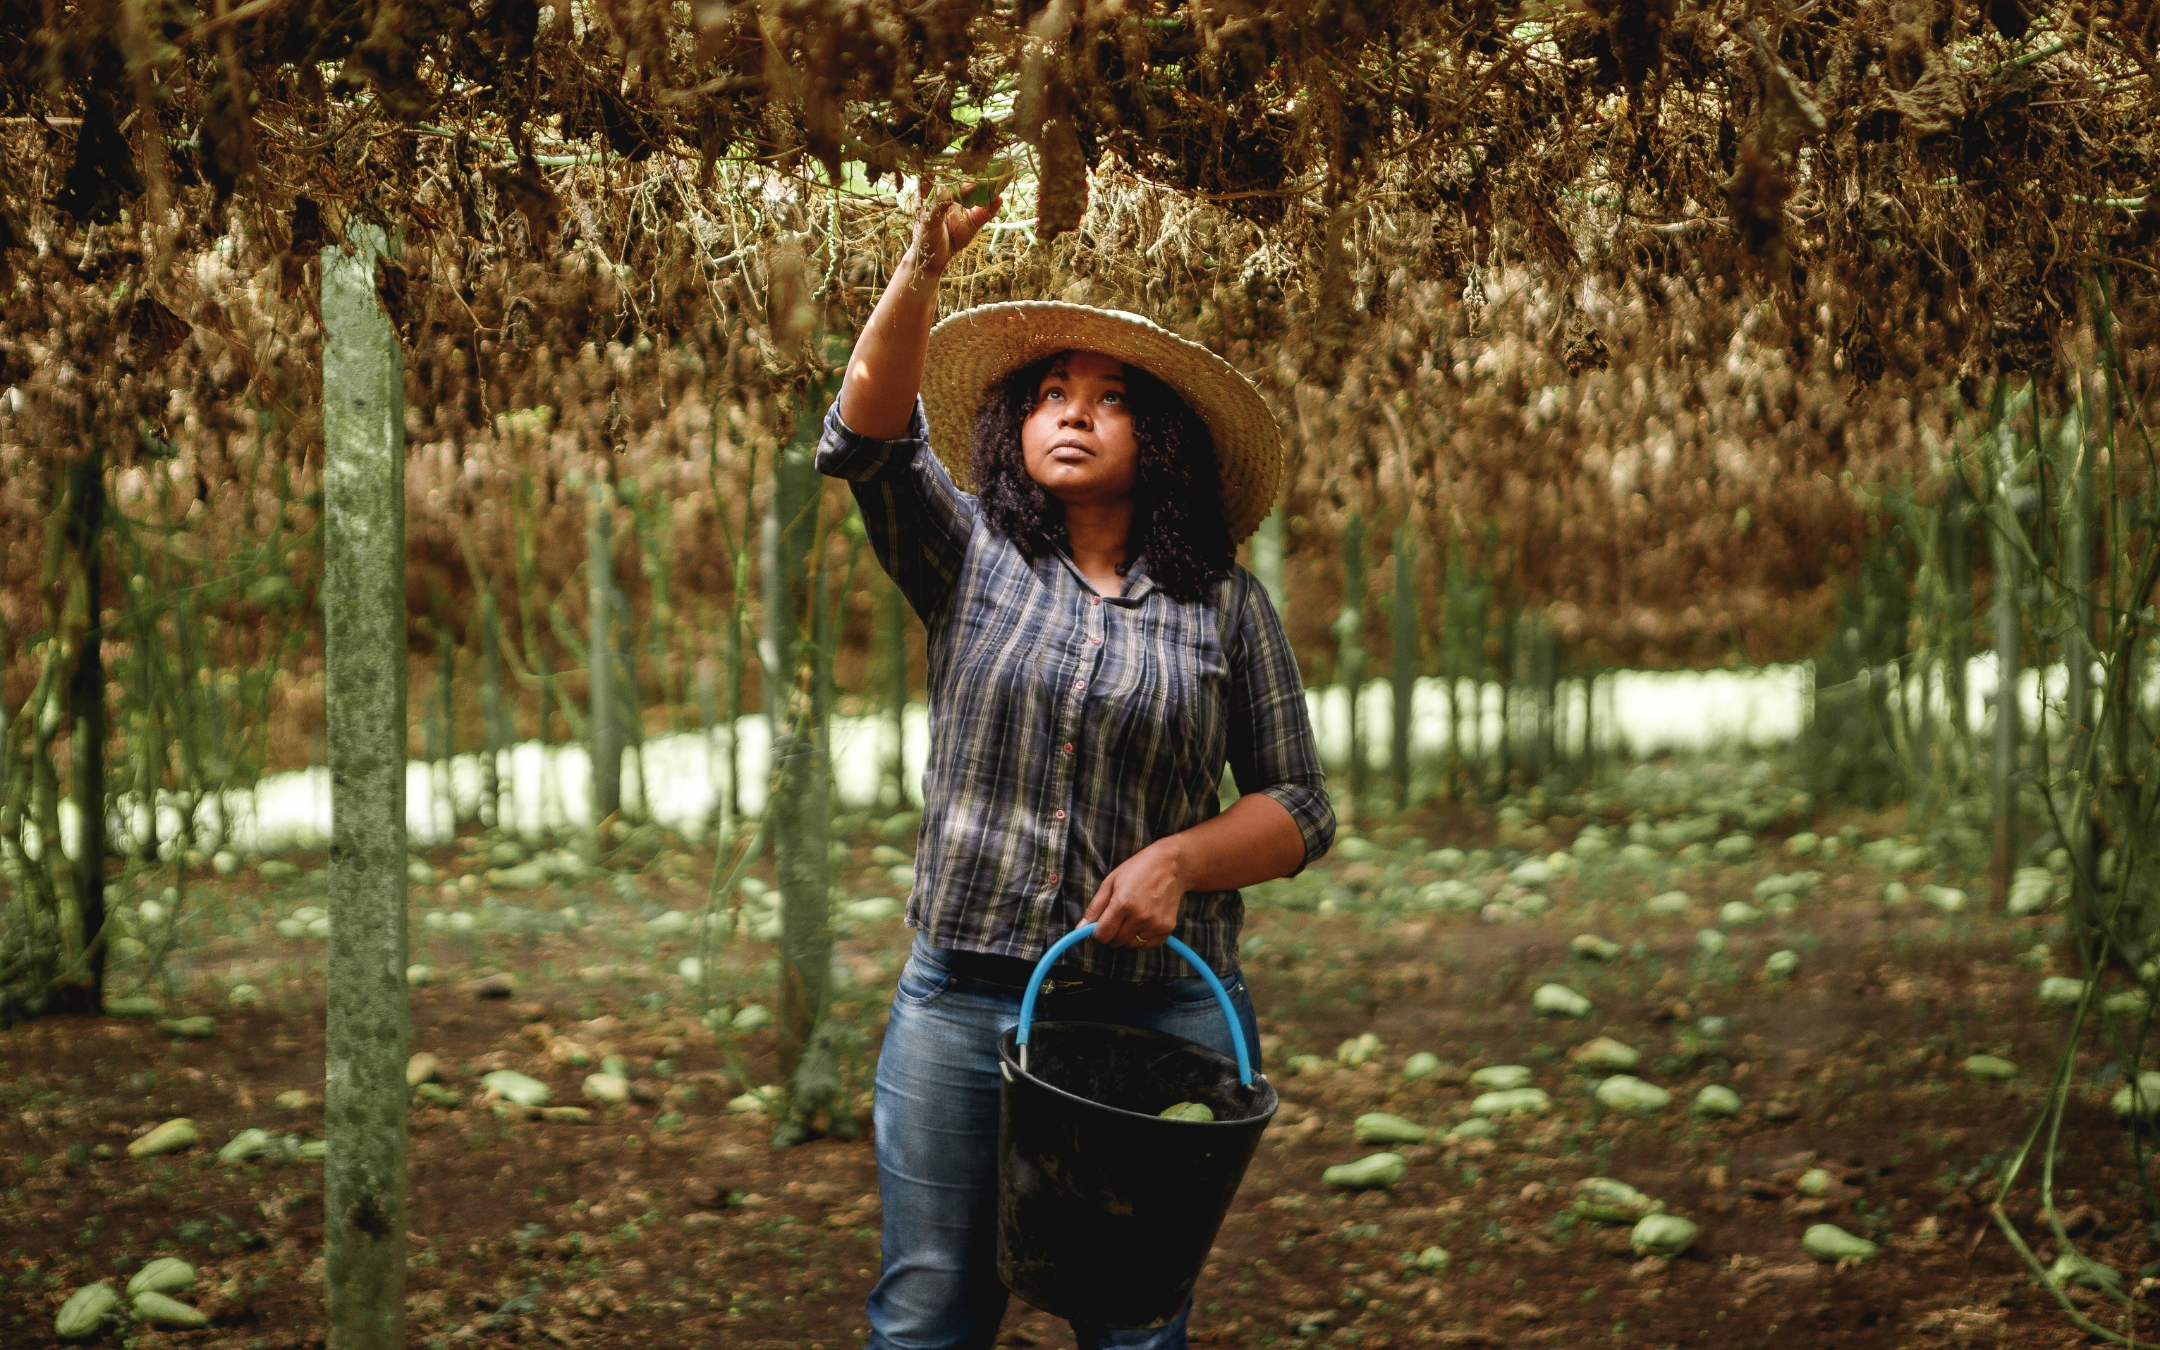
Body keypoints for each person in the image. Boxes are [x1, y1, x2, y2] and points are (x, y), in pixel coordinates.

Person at [821, 191, 1335, 1350]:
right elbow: (867, 435)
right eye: (1052, 393)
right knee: (932, 1312)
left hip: (1163, 1014)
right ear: (1014, 422)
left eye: (1110, 402)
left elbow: (1301, 805)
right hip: (964, 998)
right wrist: (918, 272)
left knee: (1133, 1319)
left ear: (1164, 442)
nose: (1074, 414)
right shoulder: (970, 561)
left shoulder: (1222, 608)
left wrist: (1180, 859)